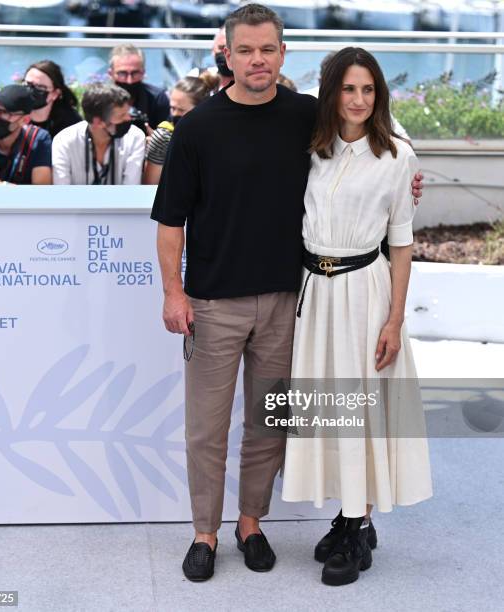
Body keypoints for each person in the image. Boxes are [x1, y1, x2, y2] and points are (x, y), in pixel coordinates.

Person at [151, 3, 423, 583]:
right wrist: (174, 295)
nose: (257, 59)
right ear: (226, 53)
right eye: (245, 49)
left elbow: (373, 134)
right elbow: (169, 220)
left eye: (267, 49)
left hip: (287, 301)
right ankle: (204, 533)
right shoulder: (196, 127)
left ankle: (251, 524)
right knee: (205, 428)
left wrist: (408, 173)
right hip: (213, 303)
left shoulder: (306, 118)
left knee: (269, 423)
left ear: (282, 52)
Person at [281, 47, 433, 587]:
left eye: (368, 89)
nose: (360, 100)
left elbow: (401, 243)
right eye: (349, 89)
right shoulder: (311, 148)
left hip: (364, 293)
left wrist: (394, 321)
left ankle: (357, 523)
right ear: (331, 92)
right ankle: (348, 516)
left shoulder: (398, 156)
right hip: (313, 293)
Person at [52, 83, 145, 185]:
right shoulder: (64, 141)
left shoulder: (135, 137)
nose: (128, 119)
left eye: (128, 113)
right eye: (121, 115)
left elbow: (131, 189)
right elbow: (62, 191)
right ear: (98, 122)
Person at [143, 73, 218, 185]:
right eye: (173, 108)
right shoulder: (164, 136)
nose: (175, 114)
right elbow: (150, 186)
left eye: (182, 110)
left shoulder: (221, 134)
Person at [108, 44, 170, 130]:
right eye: (122, 73)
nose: (129, 81)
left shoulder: (158, 99)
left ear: (143, 73)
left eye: (135, 73)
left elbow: (168, 138)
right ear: (111, 74)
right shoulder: (101, 100)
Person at [23, 60, 82, 139]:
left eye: (40, 87)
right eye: (28, 84)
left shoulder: (70, 124)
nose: (31, 90)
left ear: (55, 94)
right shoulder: (13, 115)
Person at [189, 27, 233, 91]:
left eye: (231, 49)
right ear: (213, 50)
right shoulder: (196, 78)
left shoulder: (250, 86)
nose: (226, 53)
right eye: (221, 48)